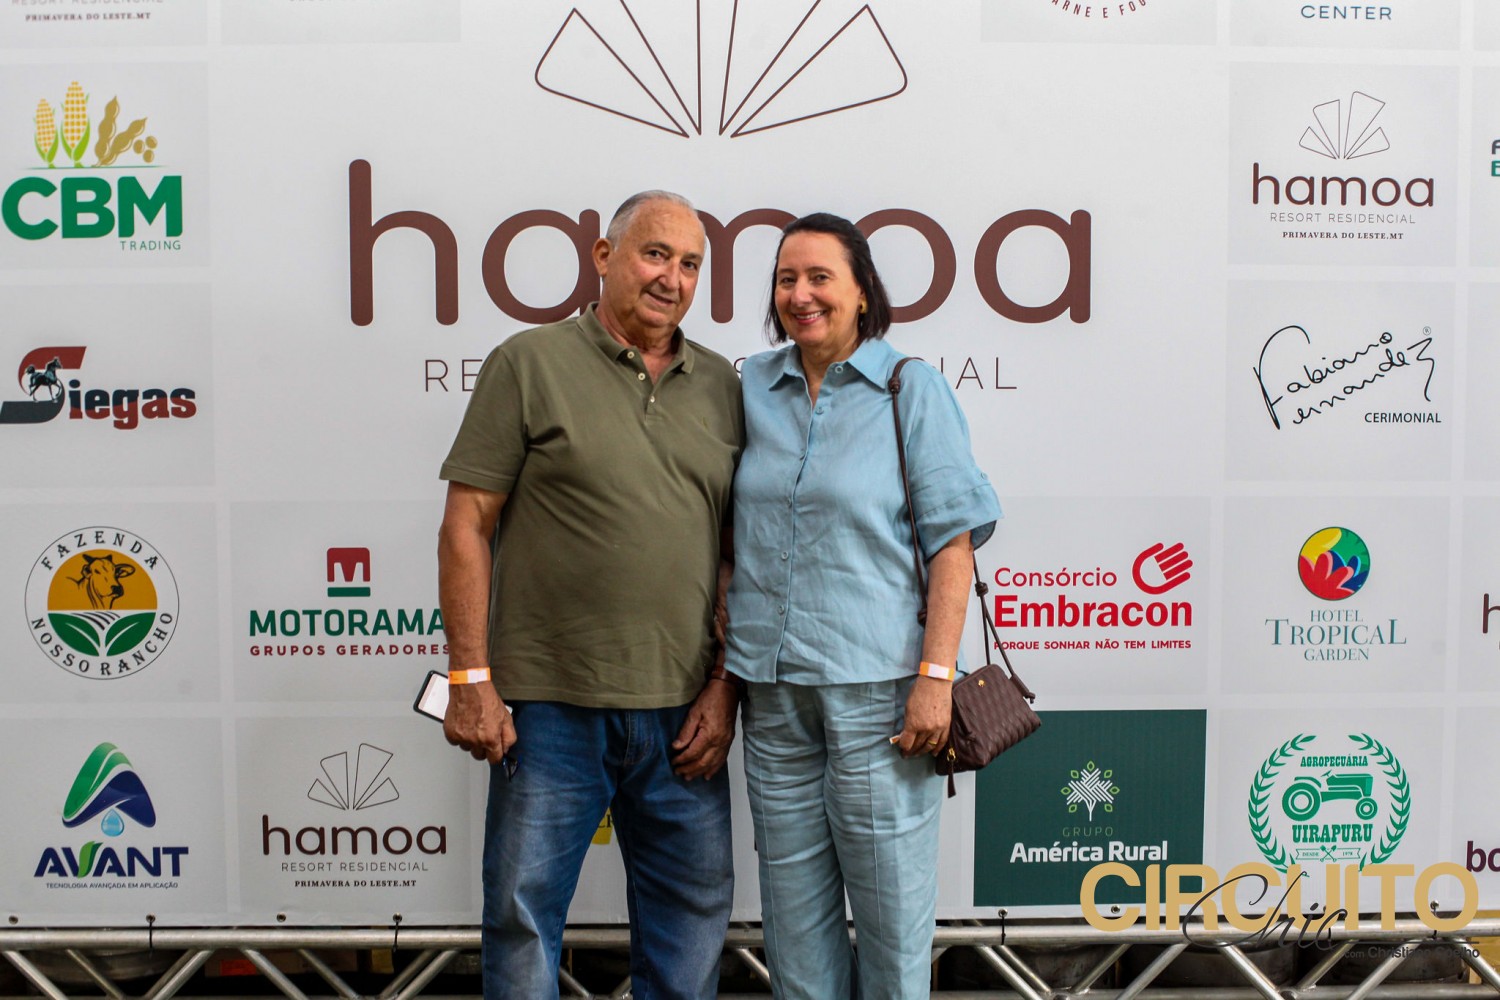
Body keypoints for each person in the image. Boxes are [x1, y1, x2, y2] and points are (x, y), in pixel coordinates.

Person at [437, 190, 745, 1000]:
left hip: (684, 713)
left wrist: (725, 685)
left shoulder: (722, 384)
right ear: (604, 257)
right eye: (655, 254)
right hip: (549, 710)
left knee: (691, 924)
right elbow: (466, 524)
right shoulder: (527, 362)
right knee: (522, 920)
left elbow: (733, 555)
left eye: (690, 264)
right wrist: (471, 679)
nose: (671, 278)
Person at [724, 213, 1001, 999]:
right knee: (793, 927)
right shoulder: (751, 387)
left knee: (891, 923)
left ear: (863, 292)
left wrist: (936, 678)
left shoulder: (911, 388)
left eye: (821, 277)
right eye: (786, 279)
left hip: (882, 697)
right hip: (774, 695)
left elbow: (953, 547)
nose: (801, 294)